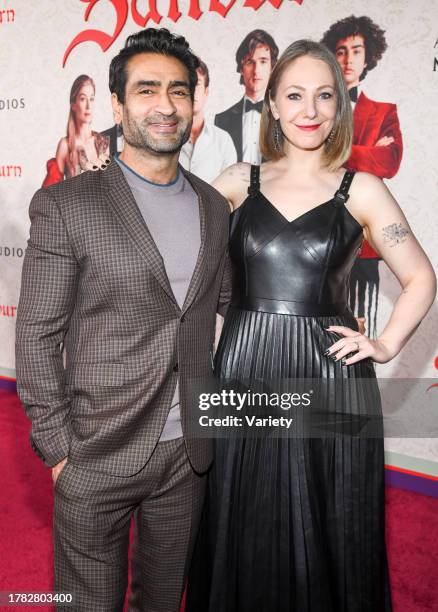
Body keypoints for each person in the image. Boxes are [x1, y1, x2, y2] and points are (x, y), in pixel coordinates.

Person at [187, 40, 435, 611]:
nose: (310, 109)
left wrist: (385, 342)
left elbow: (422, 278)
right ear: (272, 103)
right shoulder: (235, 180)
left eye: (326, 96)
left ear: (341, 105)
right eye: (294, 94)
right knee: (238, 504)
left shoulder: (363, 189)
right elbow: (166, 222)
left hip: (328, 372)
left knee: (329, 512)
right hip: (242, 366)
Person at [16, 28, 231, 612]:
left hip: (188, 454)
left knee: (163, 601)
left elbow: (222, 305)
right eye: (147, 89)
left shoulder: (215, 205)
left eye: (180, 91)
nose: (166, 105)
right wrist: (60, 449)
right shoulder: (68, 204)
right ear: (117, 104)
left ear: (195, 102)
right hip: (95, 451)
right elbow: (35, 335)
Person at [321, 16, 404, 335]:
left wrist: (337, 152)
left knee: (361, 332)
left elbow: (390, 161)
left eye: (356, 50)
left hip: (364, 239)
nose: (348, 58)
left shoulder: (384, 111)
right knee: (315, 335)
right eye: (341, 51)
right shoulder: (314, 110)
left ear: (368, 56)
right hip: (315, 234)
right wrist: (367, 150)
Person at [215, 29, 279, 163]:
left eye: (263, 61)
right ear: (241, 69)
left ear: (272, 68)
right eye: (250, 62)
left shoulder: (286, 117)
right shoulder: (221, 121)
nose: (256, 70)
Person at [42, 75, 110, 186]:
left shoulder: (103, 142)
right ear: (73, 105)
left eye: (91, 99)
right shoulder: (65, 145)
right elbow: (49, 192)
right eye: (83, 99)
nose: (88, 105)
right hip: (75, 203)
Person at [179, 59, 237, 182]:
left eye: (197, 83)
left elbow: (231, 190)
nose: (192, 90)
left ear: (206, 92)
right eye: (187, 83)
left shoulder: (223, 140)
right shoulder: (164, 135)